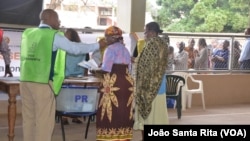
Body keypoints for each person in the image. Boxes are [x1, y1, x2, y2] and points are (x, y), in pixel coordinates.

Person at [19, 9, 106, 141]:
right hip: (42, 83)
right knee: (44, 121)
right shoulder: (53, 35)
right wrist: (97, 45)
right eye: (57, 19)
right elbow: (75, 49)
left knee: (28, 118)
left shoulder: (28, 33)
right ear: (48, 18)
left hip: (25, 81)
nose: (59, 22)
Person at [89, 26, 133, 141]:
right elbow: (129, 68)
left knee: (109, 111)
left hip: (113, 84)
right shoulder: (125, 49)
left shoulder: (110, 49)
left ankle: (109, 136)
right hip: (127, 84)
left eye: (106, 37)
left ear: (113, 38)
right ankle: (123, 136)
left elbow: (106, 69)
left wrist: (93, 70)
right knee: (123, 110)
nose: (105, 40)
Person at [133, 22, 169, 141]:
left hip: (150, 87)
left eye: (145, 31)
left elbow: (144, 65)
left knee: (150, 117)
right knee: (159, 116)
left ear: (152, 32)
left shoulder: (152, 44)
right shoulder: (162, 43)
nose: (144, 34)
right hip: (160, 84)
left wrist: (133, 60)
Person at [62, 28, 87, 125]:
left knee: (72, 96)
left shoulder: (65, 47)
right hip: (76, 75)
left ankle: (69, 116)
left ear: (71, 36)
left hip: (69, 75)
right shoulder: (82, 47)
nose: (64, 36)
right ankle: (70, 116)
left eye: (66, 34)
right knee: (75, 96)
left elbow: (85, 62)